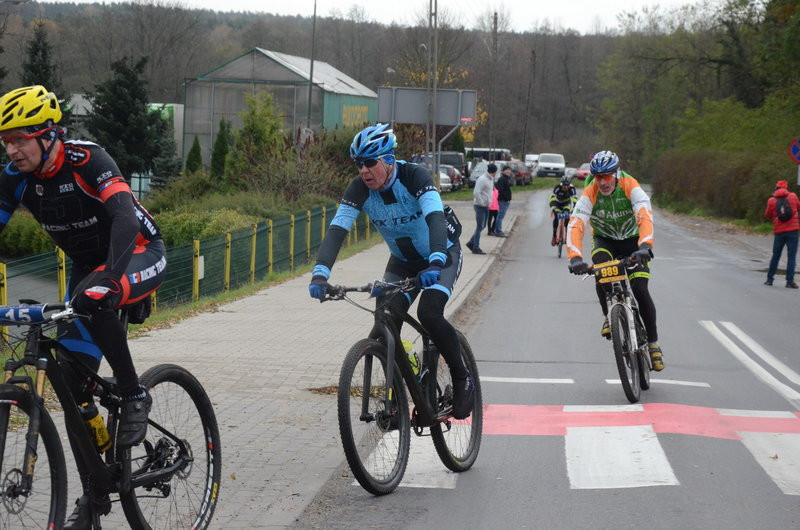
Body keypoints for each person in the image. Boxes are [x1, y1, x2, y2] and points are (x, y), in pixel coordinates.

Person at [0, 85, 167, 526]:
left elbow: (126, 218)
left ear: (47, 134)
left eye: (19, 138)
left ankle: (133, 394)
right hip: (86, 267)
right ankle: (94, 497)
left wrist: (112, 277)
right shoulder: (14, 178)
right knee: (74, 390)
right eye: (6, 141)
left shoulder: (88, 159)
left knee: (95, 299)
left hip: (137, 251)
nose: (12, 149)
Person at [307, 123, 474, 419]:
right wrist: (320, 273)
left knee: (430, 313)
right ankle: (397, 399)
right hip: (402, 262)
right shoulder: (359, 189)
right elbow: (336, 231)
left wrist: (435, 261)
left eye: (370, 162)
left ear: (389, 160)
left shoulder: (415, 177)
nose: (363, 170)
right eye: (358, 164)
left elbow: (435, 218)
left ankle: (463, 380)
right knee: (385, 322)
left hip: (442, 254)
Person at [566, 150, 664, 371]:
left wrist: (645, 245)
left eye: (607, 176)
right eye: (598, 177)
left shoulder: (630, 185)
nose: (602, 182)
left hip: (632, 242)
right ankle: (609, 316)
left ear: (617, 173)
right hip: (605, 240)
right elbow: (576, 223)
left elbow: (644, 215)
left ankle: (654, 344)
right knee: (601, 271)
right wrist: (575, 257)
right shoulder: (590, 191)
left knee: (640, 289)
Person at [764, 180, 799, 288]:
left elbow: (768, 214)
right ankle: (789, 281)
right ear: (786, 188)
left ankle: (770, 280)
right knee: (791, 256)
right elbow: (798, 207)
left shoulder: (771, 200)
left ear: (776, 189)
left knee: (776, 255)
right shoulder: (793, 196)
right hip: (793, 231)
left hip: (779, 232)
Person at [467, 163, 494, 254]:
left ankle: (471, 242)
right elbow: (476, 192)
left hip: (486, 206)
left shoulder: (490, 179)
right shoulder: (482, 179)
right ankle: (476, 247)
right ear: (493, 172)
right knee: (479, 226)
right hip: (480, 206)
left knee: (483, 226)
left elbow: (488, 191)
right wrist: (481, 202)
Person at [549, 175, 577, 246]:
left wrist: (574, 208)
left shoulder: (572, 189)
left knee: (567, 218)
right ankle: (554, 236)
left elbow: (574, 199)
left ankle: (567, 236)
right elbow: (552, 197)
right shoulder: (557, 188)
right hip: (557, 203)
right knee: (556, 217)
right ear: (562, 184)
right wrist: (552, 207)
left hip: (566, 204)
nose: (566, 187)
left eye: (567, 185)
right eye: (564, 185)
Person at [494, 165, 512, 237]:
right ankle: (498, 231)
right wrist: (506, 197)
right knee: (500, 216)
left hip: (505, 201)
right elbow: (500, 190)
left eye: (509, 170)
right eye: (506, 170)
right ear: (503, 171)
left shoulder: (506, 178)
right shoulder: (502, 179)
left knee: (500, 216)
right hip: (503, 201)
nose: (508, 171)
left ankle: (498, 230)